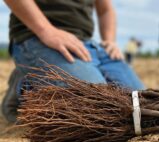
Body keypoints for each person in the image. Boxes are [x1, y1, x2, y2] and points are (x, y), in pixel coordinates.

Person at [2, 0, 145, 123]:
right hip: (38, 39)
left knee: (142, 106)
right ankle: (26, 87)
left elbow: (105, 9)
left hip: (90, 46)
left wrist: (110, 41)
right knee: (96, 110)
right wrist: (46, 30)